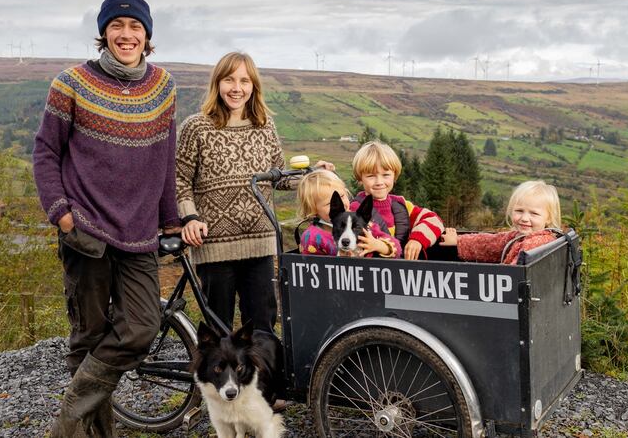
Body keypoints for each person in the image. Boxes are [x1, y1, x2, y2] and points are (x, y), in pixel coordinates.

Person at [32, 0, 179, 436]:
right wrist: (61, 214)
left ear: (147, 35)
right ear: (104, 33)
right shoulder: (71, 83)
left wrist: (170, 220)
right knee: (89, 338)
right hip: (86, 231)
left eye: (136, 27)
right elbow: (44, 151)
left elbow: (165, 160)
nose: (127, 34)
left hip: (139, 234)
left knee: (141, 327)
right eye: (117, 26)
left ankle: (70, 412)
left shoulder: (164, 88)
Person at [176, 51, 333, 334]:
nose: (237, 88)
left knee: (262, 327)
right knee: (219, 329)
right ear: (217, 84)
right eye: (229, 80)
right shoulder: (196, 127)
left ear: (254, 86)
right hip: (213, 245)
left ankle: (261, 380)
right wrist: (189, 218)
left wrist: (313, 175)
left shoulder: (265, 126)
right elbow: (179, 180)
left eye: (244, 81)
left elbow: (279, 178)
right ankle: (213, 380)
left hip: (260, 243)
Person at [349, 140, 444, 260]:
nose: (379, 182)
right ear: (360, 179)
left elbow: (434, 220)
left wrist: (417, 239)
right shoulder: (354, 209)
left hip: (402, 274)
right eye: (371, 176)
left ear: (395, 176)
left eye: (386, 175)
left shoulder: (402, 205)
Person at [439, 180, 562, 264]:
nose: (524, 218)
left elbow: (515, 275)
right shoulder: (518, 236)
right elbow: (490, 243)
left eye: (533, 213)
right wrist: (458, 241)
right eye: (519, 211)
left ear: (549, 218)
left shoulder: (535, 243)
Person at [297, 169, 401, 257]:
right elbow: (309, 270)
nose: (340, 204)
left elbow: (397, 248)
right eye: (331, 203)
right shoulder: (312, 237)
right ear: (313, 210)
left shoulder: (363, 224)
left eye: (342, 196)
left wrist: (377, 245)